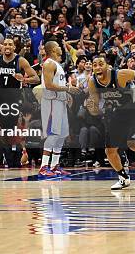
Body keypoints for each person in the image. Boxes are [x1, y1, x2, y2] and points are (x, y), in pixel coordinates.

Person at [86, 57, 135, 190]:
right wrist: (92, 108)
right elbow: (96, 109)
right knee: (110, 151)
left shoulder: (120, 74)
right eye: (94, 65)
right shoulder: (92, 82)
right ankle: (123, 178)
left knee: (133, 143)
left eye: (101, 64)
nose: (97, 67)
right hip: (117, 114)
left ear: (107, 66)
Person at [0, 38, 39, 176]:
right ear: (2, 47)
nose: (7, 46)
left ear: (14, 47)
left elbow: (36, 78)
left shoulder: (21, 61)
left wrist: (24, 79)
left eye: (10, 44)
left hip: (13, 103)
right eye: (5, 44)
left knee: (6, 135)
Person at [38, 41, 80, 179]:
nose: (60, 47)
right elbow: (49, 85)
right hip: (51, 102)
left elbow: (58, 84)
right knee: (53, 133)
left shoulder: (58, 65)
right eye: (57, 46)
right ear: (52, 50)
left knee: (61, 134)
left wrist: (66, 94)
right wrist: (68, 89)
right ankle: (44, 167)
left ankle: (54, 166)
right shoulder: (49, 63)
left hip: (60, 102)